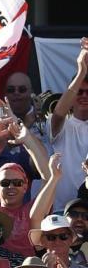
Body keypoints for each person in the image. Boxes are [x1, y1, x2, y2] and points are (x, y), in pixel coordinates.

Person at [49, 37, 88, 211]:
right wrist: (81, 72)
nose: (84, 96)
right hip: (62, 211)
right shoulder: (60, 124)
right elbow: (58, 113)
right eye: (79, 91)